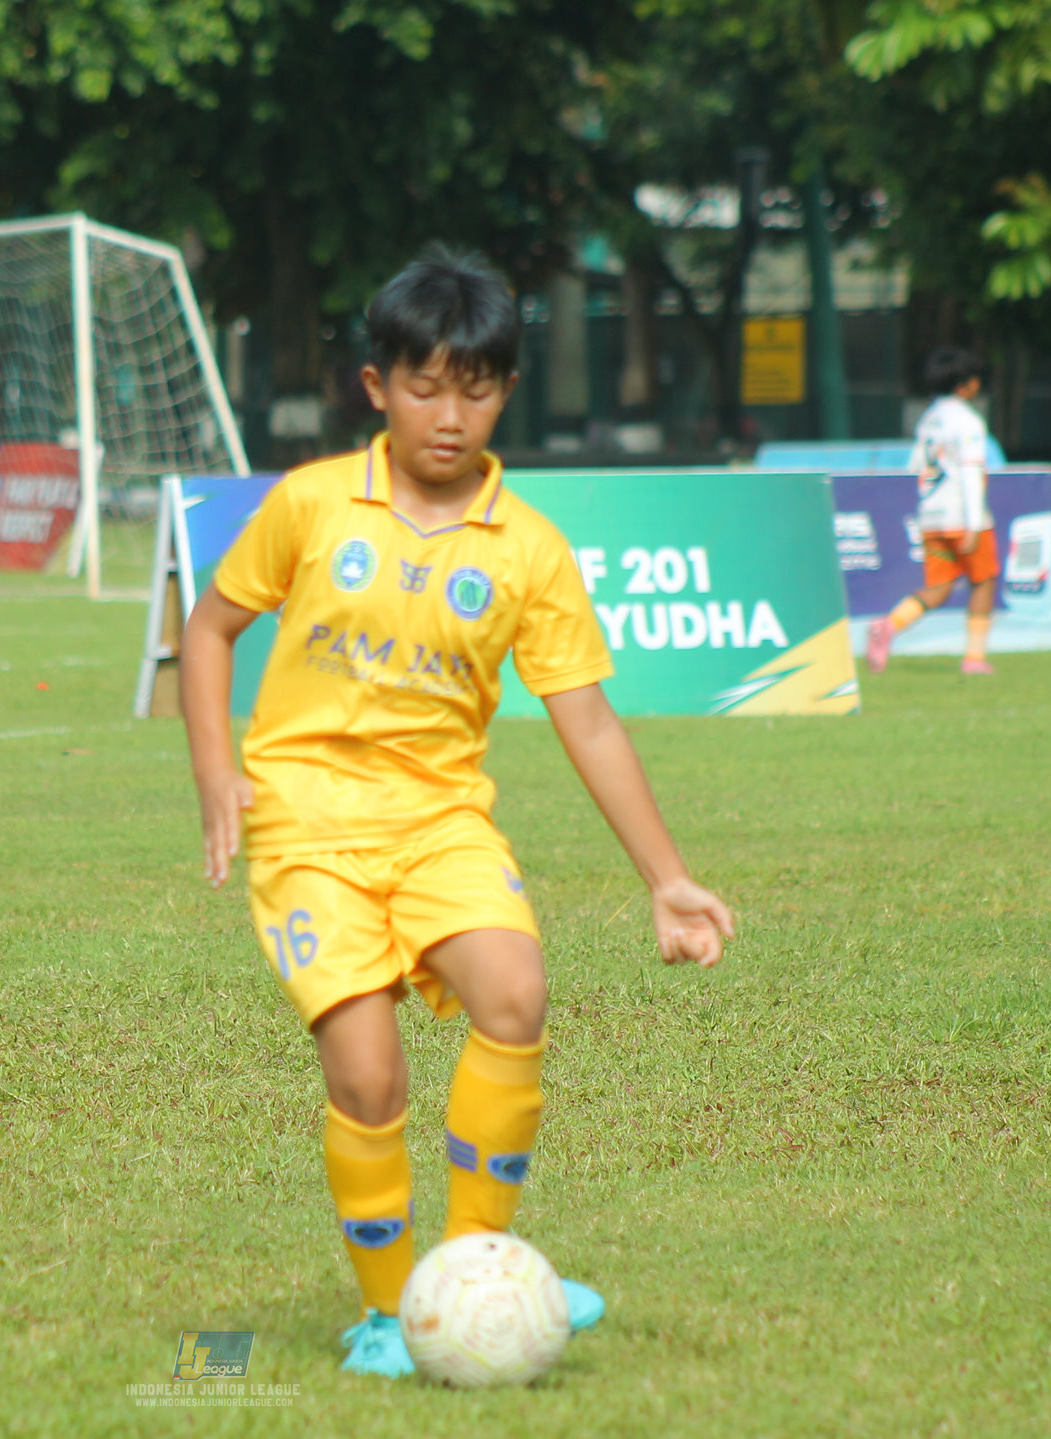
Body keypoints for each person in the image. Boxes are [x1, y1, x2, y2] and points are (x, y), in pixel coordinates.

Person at [180, 246, 733, 1378]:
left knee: (514, 991)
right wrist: (215, 773)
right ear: (374, 386)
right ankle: (390, 1311)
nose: (448, 413)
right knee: (368, 1076)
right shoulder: (310, 502)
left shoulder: (527, 549)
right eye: (423, 386)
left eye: (474, 388)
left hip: (439, 822)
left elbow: (587, 721)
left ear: (505, 391)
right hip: (307, 828)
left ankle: (475, 1265)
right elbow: (205, 630)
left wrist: (665, 877)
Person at [868, 348, 998, 675]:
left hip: (931, 516)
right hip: (961, 515)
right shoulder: (968, 421)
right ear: (965, 386)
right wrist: (973, 522)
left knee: (939, 588)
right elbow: (970, 471)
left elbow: (916, 465)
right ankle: (974, 658)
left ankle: (889, 624)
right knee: (983, 580)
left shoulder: (928, 419)